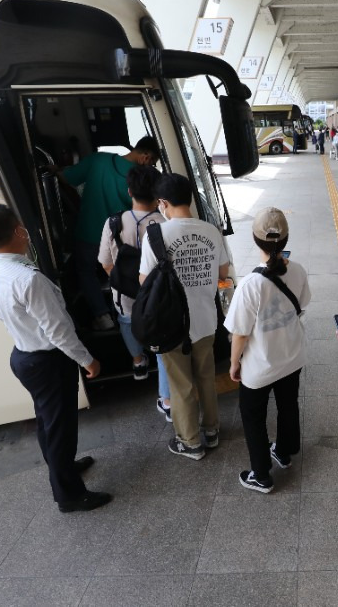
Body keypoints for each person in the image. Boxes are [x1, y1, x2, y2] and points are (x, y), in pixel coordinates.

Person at [0, 204, 111, 513]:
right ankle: (69, 495)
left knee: (48, 423)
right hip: (47, 361)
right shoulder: (28, 279)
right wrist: (87, 360)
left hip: (24, 357)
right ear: (18, 231)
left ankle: (63, 467)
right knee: (61, 429)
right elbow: (58, 331)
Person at [139, 173, 230, 460]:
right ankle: (212, 430)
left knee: (181, 385)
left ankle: (190, 442)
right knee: (206, 378)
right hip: (206, 320)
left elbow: (144, 281)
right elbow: (223, 273)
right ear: (189, 198)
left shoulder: (155, 235)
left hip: (171, 324)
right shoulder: (211, 231)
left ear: (163, 203)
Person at [225, 208, 311, 493]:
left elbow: (240, 333)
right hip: (291, 357)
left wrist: (234, 363)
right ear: (285, 238)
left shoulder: (250, 284)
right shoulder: (297, 270)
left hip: (259, 367)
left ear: (255, 239)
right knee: (288, 405)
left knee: (253, 417)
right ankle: (284, 452)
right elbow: (302, 304)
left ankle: (261, 475)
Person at [61, 137, 161, 331]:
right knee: (123, 272)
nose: (151, 166)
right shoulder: (139, 178)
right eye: (152, 162)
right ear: (146, 157)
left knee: (86, 271)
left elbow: (68, 178)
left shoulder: (97, 160)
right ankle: (132, 312)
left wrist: (56, 170)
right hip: (119, 238)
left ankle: (102, 315)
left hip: (88, 232)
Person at [97, 166, 173, 411]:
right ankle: (166, 400)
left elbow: (105, 263)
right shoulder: (165, 222)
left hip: (125, 295)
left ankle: (139, 361)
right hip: (158, 295)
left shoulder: (113, 222)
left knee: (127, 322)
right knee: (162, 344)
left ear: (129, 191)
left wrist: (124, 281)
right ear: (158, 193)